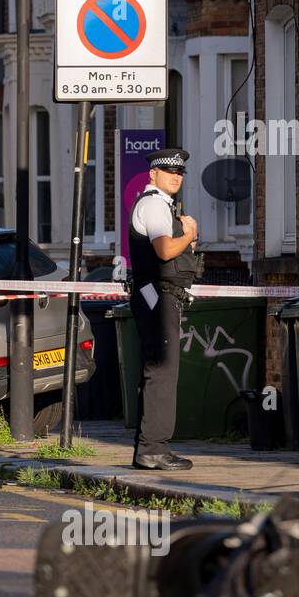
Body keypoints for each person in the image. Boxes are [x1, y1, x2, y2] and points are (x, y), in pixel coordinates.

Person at [127, 148, 203, 471]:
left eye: (180, 172)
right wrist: (188, 234)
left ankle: (150, 446)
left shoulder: (162, 205)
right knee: (162, 371)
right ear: (153, 174)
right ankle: (153, 449)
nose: (176, 176)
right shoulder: (155, 205)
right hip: (157, 296)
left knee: (159, 371)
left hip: (159, 295)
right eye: (169, 170)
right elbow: (164, 250)